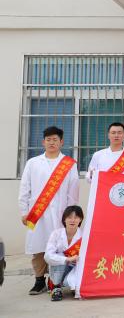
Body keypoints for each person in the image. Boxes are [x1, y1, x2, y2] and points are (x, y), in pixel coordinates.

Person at [18, 126, 79, 295]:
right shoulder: (33, 163)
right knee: (37, 247)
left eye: (55, 139)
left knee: (59, 247)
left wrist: (71, 215)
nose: (52, 142)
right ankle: (39, 281)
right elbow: (25, 189)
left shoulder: (68, 164)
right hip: (36, 214)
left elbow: (73, 192)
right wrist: (24, 211)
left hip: (61, 214)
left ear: (61, 142)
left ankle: (55, 281)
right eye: (48, 139)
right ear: (43, 142)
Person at [44, 205, 83, 301]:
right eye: (69, 217)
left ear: (80, 219)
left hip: (75, 267)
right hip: (59, 268)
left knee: (70, 283)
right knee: (59, 256)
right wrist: (67, 259)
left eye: (76, 217)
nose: (72, 220)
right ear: (64, 219)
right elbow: (47, 256)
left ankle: (72, 286)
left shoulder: (84, 235)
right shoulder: (56, 234)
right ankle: (56, 287)